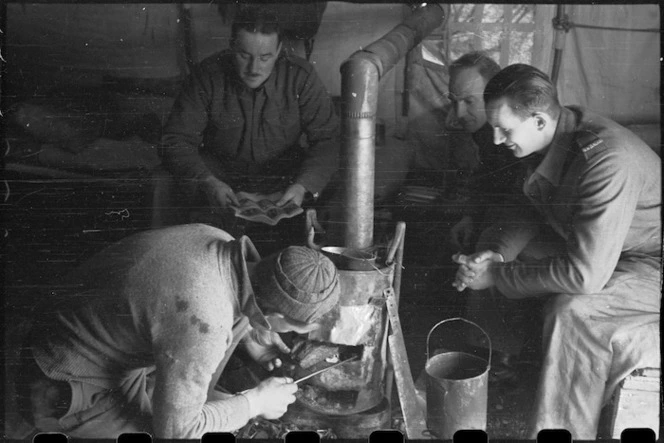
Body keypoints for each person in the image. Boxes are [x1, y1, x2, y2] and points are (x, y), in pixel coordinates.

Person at [452, 64, 661, 439]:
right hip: (607, 249)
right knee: (494, 244)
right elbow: (525, 207)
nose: (496, 139)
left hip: (651, 262)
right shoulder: (546, 138)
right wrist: (496, 256)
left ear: (537, 120)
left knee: (574, 310)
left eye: (504, 129)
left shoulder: (606, 160)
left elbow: (585, 276)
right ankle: (502, 363)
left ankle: (560, 431)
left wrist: (497, 278)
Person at [15, 223, 341, 439]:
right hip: (61, 380)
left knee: (221, 404)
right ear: (272, 315)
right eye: (294, 329)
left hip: (76, 329)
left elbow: (195, 309)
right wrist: (255, 403)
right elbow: (175, 433)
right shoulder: (205, 323)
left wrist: (250, 336)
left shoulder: (218, 240)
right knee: (216, 426)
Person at [159, 7, 339, 224]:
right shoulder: (207, 75)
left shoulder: (301, 77)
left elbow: (328, 140)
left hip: (282, 181)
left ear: (280, 49)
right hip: (221, 180)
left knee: (338, 183)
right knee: (168, 186)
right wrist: (206, 181)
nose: (254, 68)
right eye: (244, 55)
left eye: (265, 57)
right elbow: (175, 139)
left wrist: (304, 185)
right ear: (232, 45)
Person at [445, 51, 525, 251]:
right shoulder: (483, 131)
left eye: (469, 101)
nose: (459, 113)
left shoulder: (516, 137)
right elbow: (488, 178)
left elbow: (519, 205)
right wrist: (471, 217)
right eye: (454, 101)